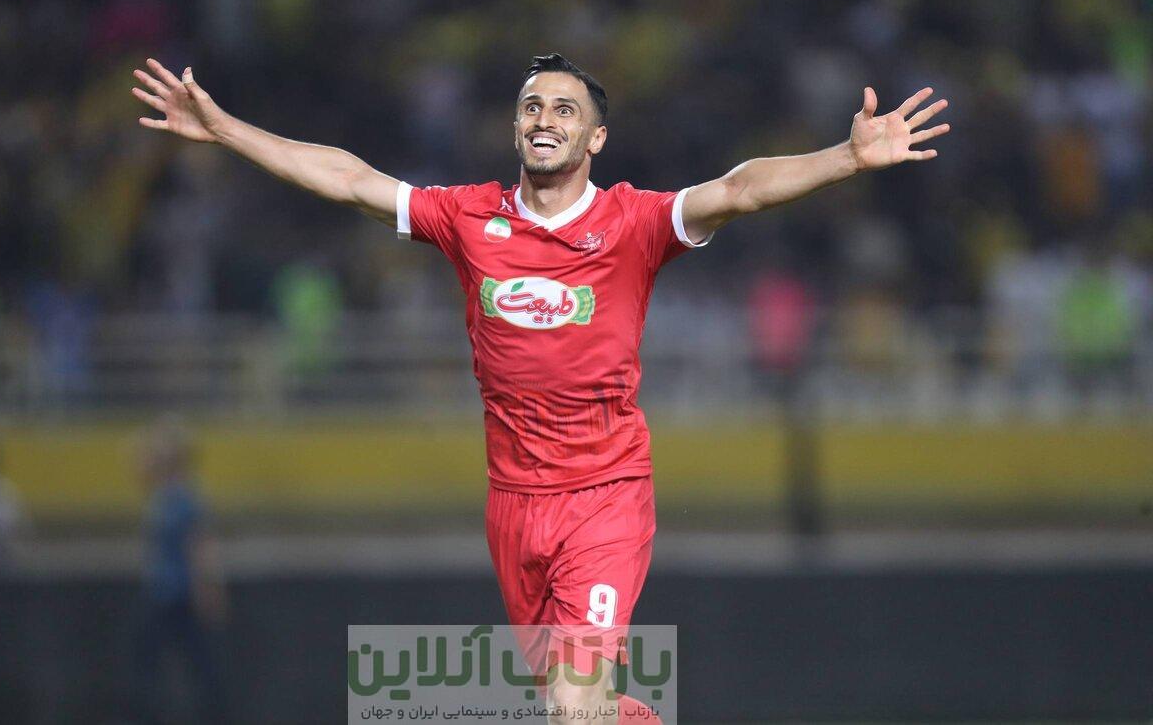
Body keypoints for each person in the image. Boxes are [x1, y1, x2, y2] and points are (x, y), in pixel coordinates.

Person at [132, 53, 949, 724]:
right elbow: (350, 179)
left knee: (568, 704)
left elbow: (739, 189)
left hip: (605, 493)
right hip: (515, 504)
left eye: (564, 108)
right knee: (577, 707)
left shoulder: (633, 222)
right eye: (530, 106)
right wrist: (225, 128)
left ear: (595, 136)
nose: (544, 118)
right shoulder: (468, 217)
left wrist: (846, 158)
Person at [134, 417, 228, 725]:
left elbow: (200, 547)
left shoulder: (187, 499)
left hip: (182, 593)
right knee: (152, 659)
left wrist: (208, 590)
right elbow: (138, 464)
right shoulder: (161, 496)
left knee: (198, 663)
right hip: (162, 591)